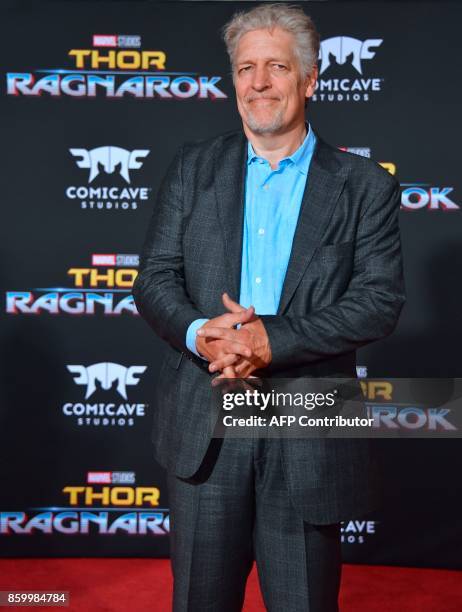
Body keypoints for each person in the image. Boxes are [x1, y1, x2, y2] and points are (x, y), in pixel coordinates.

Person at [133, 3, 405, 611]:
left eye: (277, 67)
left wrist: (269, 342)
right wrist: (203, 332)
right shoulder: (191, 168)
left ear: (309, 80)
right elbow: (153, 279)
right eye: (246, 68)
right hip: (206, 423)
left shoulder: (366, 185)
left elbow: (378, 302)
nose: (258, 83)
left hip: (306, 423)